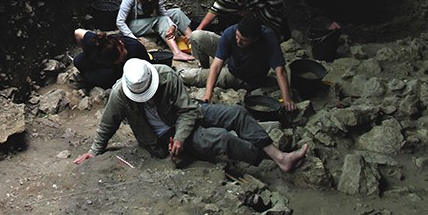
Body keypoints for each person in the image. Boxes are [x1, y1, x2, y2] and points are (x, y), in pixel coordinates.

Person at [73, 58, 307, 172]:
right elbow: (107, 125)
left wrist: (182, 136)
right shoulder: (119, 95)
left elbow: (187, 110)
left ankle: (279, 156)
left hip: (185, 115)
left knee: (236, 113)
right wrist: (93, 152)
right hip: (163, 137)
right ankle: (270, 160)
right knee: (220, 138)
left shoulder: (165, 75)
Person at [180, 17, 297, 111]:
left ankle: (178, 73)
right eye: (237, 37)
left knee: (188, 75)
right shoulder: (231, 32)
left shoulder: (269, 38)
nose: (238, 41)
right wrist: (208, 93)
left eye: (243, 40)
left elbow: (280, 70)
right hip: (232, 59)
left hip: (238, 75)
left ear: (255, 39)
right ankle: (204, 66)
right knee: (197, 36)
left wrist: (287, 99)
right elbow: (216, 66)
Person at [116, 0, 194, 62]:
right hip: (133, 24)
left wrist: (172, 26)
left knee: (176, 12)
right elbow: (120, 21)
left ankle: (192, 40)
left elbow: (163, 13)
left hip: (148, 20)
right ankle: (177, 53)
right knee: (161, 20)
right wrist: (133, 39)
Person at [73, 28, 150, 89]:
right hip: (104, 60)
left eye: (122, 57)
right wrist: (86, 52)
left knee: (89, 77)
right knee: (78, 61)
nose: (123, 60)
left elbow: (148, 69)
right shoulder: (98, 42)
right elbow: (78, 32)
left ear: (121, 44)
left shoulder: (136, 49)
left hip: (121, 69)